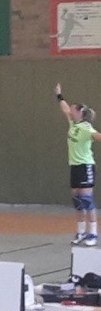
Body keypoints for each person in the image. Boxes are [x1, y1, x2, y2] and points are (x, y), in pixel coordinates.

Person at [57, 84, 101, 247]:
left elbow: (97, 136)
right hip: (74, 166)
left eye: (73, 110)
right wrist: (59, 96)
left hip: (85, 166)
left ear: (80, 113)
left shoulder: (86, 128)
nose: (70, 111)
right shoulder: (73, 123)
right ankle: (81, 232)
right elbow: (64, 108)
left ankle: (93, 233)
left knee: (86, 199)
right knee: (77, 200)